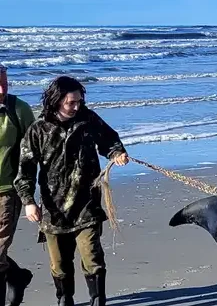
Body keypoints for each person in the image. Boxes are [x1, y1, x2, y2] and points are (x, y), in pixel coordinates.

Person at [14, 76, 129, 306]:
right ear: (57, 101)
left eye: (80, 101)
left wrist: (117, 154)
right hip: (53, 209)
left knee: (92, 256)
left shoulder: (88, 120)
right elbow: (24, 171)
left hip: (87, 205)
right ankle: (64, 299)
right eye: (71, 102)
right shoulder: (38, 130)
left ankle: (98, 300)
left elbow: (109, 140)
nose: (77, 106)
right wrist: (28, 201)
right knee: (59, 264)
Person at [0, 65, 34, 306]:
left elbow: (33, 150)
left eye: (5, 83)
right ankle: (16, 276)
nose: (2, 89)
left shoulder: (18, 109)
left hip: (7, 192)